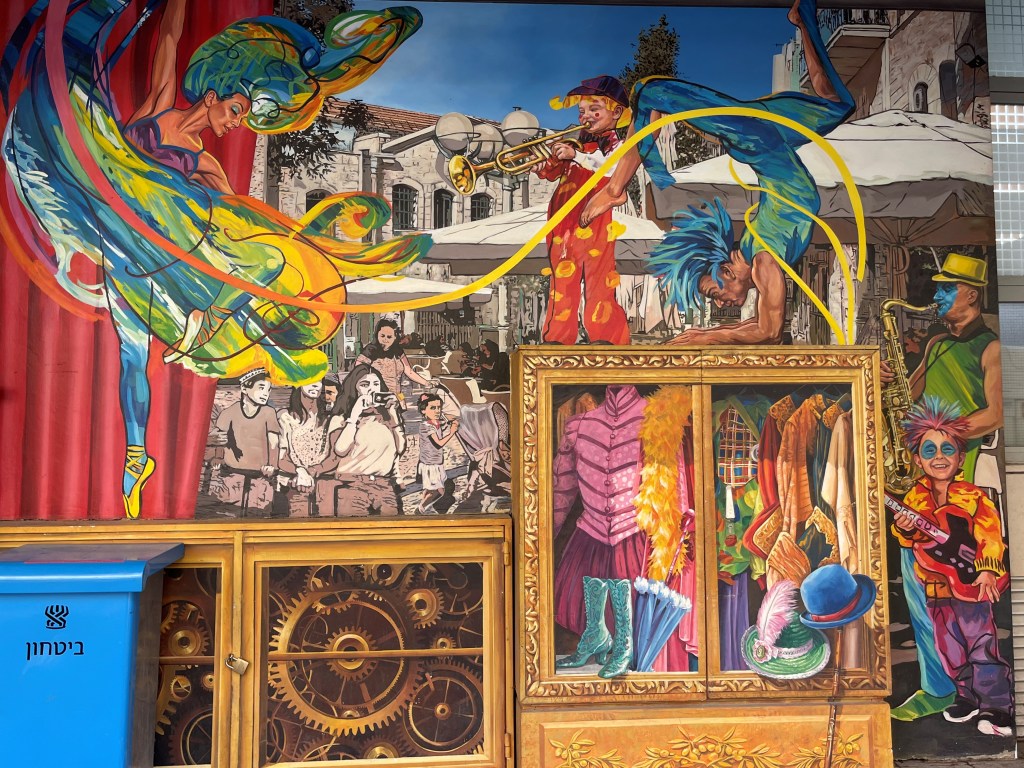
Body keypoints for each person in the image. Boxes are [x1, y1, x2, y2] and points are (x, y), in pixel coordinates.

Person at [3, 0, 425, 518]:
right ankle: (137, 457)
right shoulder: (158, 110)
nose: (234, 125)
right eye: (237, 111)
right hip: (118, 243)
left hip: (155, 259)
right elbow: (169, 40)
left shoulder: (205, 164)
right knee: (132, 356)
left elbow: (232, 217)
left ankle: (195, 349)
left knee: (237, 280)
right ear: (212, 95)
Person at [580, 0, 854, 346]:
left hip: (758, 139)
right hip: (767, 140)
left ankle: (616, 188)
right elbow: (761, 325)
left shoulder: (764, 262)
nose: (720, 304)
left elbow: (768, 331)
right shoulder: (760, 259)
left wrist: (705, 337)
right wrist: (704, 333)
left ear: (725, 271)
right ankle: (803, 18)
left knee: (651, 92)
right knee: (839, 105)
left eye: (713, 295)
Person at [882, 252, 1003, 722]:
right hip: (923, 479)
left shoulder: (992, 348)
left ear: (971, 293)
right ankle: (937, 686)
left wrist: (942, 437)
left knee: (964, 592)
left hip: (962, 475)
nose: (936, 295)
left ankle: (976, 690)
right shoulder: (935, 343)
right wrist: (888, 379)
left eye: (946, 288)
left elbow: (995, 413)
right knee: (918, 580)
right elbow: (908, 395)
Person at [891, 397, 1012, 737]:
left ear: (960, 457)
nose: (939, 457)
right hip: (936, 588)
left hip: (971, 586)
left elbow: (990, 533)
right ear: (918, 459)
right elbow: (910, 541)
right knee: (949, 649)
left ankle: (996, 706)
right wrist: (904, 528)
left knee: (981, 646)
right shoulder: (914, 499)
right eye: (929, 451)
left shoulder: (973, 497)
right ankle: (966, 697)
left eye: (948, 449)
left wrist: (987, 569)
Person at [534, 75, 632, 344]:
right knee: (561, 283)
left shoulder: (618, 146)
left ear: (616, 113)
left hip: (595, 221)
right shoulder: (575, 144)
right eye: (581, 111)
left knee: (599, 279)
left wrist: (575, 155)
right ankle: (557, 338)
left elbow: (612, 169)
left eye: (594, 110)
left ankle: (606, 337)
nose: (585, 117)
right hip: (562, 222)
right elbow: (552, 172)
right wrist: (541, 164)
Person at [311, 365, 407, 516]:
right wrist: (354, 416)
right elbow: (340, 449)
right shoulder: (340, 419)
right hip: (351, 484)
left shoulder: (386, 417)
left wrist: (394, 417)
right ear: (354, 389)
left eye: (376, 384)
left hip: (383, 485)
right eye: (364, 385)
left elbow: (400, 448)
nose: (371, 389)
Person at [211, 368, 281, 514]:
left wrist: (272, 465)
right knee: (228, 513)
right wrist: (218, 458)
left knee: (259, 514)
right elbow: (220, 439)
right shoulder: (229, 413)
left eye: (268, 390)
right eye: (261, 388)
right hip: (232, 476)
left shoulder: (269, 413)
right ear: (244, 388)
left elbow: (273, 442)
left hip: (261, 477)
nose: (265, 393)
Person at [277, 380, 331, 517]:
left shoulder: (328, 418)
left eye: (318, 380)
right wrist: (300, 471)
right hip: (293, 483)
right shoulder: (285, 417)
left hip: (323, 484)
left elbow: (334, 456)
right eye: (309, 380)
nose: (315, 385)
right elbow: (281, 458)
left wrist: (312, 471)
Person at [355, 318, 432, 406]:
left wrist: (426, 383)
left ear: (395, 337)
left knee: (402, 411)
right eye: (382, 336)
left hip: (397, 396)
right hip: (378, 398)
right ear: (377, 335)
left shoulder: (398, 351)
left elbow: (409, 371)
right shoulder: (370, 351)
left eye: (389, 337)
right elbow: (358, 373)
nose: (385, 339)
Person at [417, 393, 460, 513]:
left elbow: (447, 420)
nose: (437, 411)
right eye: (433, 408)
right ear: (423, 411)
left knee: (431, 489)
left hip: (436, 463)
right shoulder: (426, 426)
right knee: (439, 491)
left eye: (439, 407)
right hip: (431, 464)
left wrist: (453, 421)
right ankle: (421, 508)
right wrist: (452, 432)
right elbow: (439, 443)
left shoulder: (435, 423)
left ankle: (424, 505)